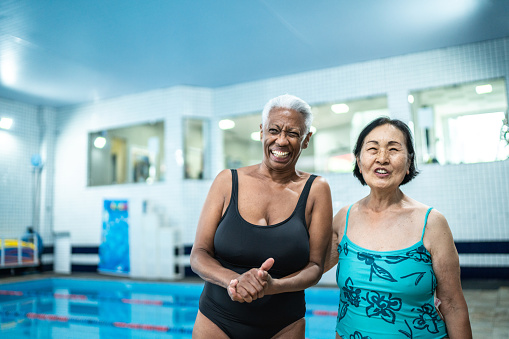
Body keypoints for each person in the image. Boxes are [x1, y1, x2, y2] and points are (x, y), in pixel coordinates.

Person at [190, 94, 333, 339]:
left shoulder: (316, 189)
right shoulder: (228, 181)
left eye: (293, 133)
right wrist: (234, 281)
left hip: (283, 325)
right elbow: (199, 254)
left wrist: (274, 287)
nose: (281, 141)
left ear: (306, 140)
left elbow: (315, 266)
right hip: (217, 320)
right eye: (274, 130)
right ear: (261, 132)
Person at [325, 117, 471, 338]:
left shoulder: (431, 223)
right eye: (372, 149)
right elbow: (310, 266)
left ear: (409, 161)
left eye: (393, 149)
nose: (382, 158)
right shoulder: (344, 219)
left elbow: (452, 304)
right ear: (358, 159)